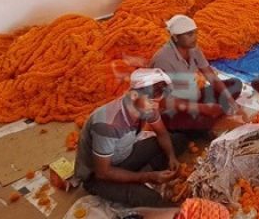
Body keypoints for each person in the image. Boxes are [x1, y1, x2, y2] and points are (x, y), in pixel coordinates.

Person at [74, 68, 184, 207]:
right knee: (152, 200)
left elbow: (162, 133)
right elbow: (103, 172)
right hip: (98, 175)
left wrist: (171, 157)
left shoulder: (148, 106)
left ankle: (140, 173)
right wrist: (147, 177)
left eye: (159, 98)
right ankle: (143, 175)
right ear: (133, 95)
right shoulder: (107, 125)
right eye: (151, 99)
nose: (156, 105)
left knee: (178, 140)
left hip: (125, 156)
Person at [151, 15, 242, 133]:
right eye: (189, 34)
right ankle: (209, 115)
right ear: (175, 38)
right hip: (175, 109)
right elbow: (161, 101)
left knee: (235, 84)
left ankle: (213, 112)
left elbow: (210, 74)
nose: (194, 38)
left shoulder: (193, 48)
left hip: (196, 98)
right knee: (203, 122)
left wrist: (231, 101)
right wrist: (202, 108)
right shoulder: (163, 59)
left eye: (195, 33)